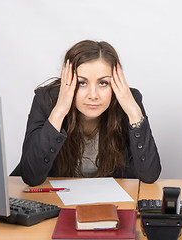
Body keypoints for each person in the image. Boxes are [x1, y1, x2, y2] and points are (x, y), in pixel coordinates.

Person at [11, 40, 161, 186]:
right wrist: (59, 112)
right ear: (67, 81)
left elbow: (149, 175)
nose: (93, 95)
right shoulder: (47, 100)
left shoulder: (128, 101)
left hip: (108, 203)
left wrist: (134, 113)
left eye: (103, 83)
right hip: (54, 202)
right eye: (82, 83)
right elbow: (31, 177)